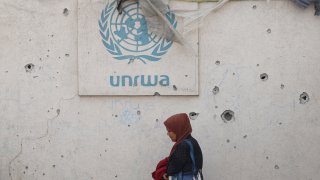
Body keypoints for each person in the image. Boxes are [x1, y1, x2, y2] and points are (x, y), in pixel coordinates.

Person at [163, 113, 203, 180]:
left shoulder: (182, 145)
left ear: (177, 129)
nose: (167, 134)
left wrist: (166, 174)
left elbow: (172, 169)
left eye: (169, 131)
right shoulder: (193, 141)